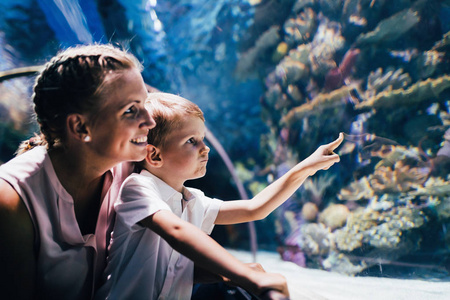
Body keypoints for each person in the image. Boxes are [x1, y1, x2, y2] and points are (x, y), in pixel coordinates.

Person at [96, 92, 343, 300]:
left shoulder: (193, 200)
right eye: (192, 141)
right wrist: (246, 275)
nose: (206, 148)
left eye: (203, 139)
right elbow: (177, 231)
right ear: (155, 156)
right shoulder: (137, 188)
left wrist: (306, 167)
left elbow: (254, 208)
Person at [0, 44, 156, 300]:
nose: (149, 121)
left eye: (145, 104)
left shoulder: (134, 170)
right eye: (130, 110)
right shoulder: (12, 201)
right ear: (80, 126)